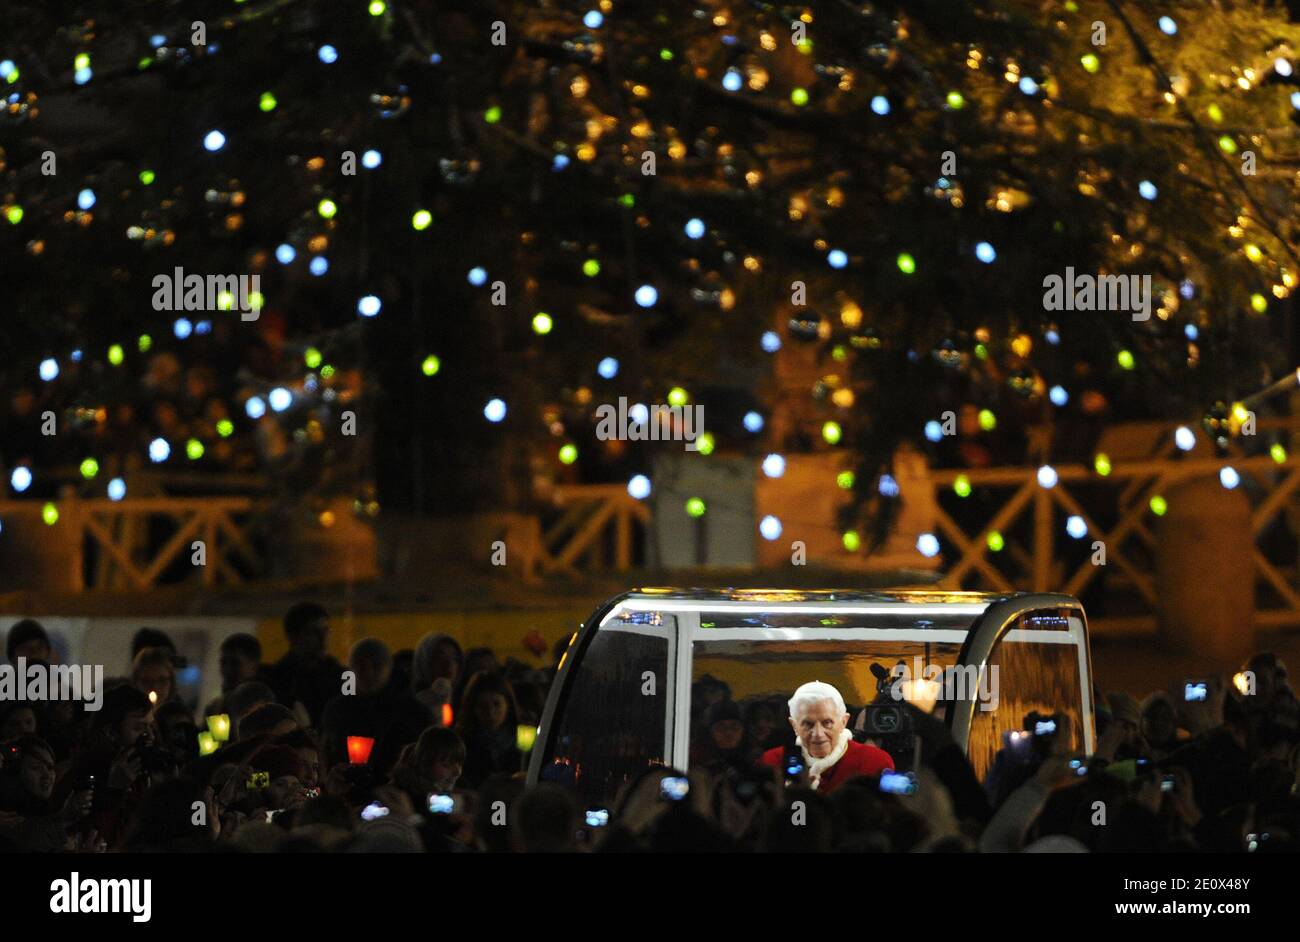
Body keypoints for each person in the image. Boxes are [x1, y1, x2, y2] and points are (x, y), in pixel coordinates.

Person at [760, 681, 894, 793]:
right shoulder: (772, 763)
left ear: (843, 722)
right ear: (794, 725)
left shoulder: (874, 763)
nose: (818, 733)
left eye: (827, 723)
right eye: (808, 724)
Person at [319, 638, 429, 772]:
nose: (368, 673)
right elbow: (325, 753)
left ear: (389, 668)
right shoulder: (337, 709)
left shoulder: (411, 711)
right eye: (361, 666)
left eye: (376, 666)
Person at [265, 602, 345, 728]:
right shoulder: (276, 680)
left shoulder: (341, 675)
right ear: (293, 637)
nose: (323, 638)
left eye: (326, 630)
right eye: (313, 632)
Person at [456, 671, 522, 789]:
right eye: (482, 707)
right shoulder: (462, 744)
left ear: (508, 704)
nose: (490, 713)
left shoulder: (524, 739)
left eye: (496, 705)